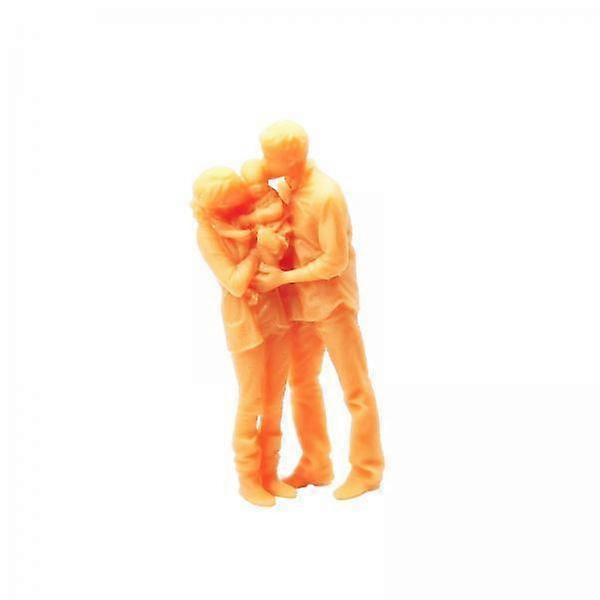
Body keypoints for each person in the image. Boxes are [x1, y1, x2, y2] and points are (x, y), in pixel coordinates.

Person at [251, 121, 385, 500]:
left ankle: (367, 469)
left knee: (355, 387)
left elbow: (334, 260)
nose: (264, 162)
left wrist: (283, 278)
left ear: (289, 157)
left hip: (333, 304)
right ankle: (316, 463)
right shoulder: (287, 190)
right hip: (300, 305)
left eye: (270, 156)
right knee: (303, 382)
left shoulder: (326, 196)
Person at [191, 167, 295, 507]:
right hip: (245, 324)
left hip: (274, 316)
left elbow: (277, 246)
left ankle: (270, 474)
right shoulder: (208, 233)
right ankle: (249, 480)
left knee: (275, 399)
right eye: (234, 200)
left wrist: (272, 244)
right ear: (218, 205)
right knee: (252, 401)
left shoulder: (246, 216)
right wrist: (257, 249)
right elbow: (235, 283)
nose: (243, 203)